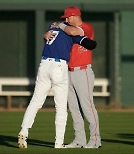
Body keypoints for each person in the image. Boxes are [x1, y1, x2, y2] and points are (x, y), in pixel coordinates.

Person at [17, 22, 97, 149]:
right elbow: (90, 44)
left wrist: (45, 35)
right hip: (59, 67)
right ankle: (58, 143)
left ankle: (24, 131)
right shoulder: (70, 31)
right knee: (60, 107)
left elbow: (49, 35)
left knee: (35, 102)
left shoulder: (52, 26)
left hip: (44, 64)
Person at [49, 6, 102, 148]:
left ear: (74, 16)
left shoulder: (86, 27)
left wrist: (60, 25)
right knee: (73, 108)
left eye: (67, 17)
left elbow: (73, 31)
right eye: (64, 18)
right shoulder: (65, 29)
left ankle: (95, 140)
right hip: (68, 71)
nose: (65, 20)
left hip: (83, 71)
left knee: (87, 106)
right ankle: (80, 140)